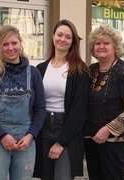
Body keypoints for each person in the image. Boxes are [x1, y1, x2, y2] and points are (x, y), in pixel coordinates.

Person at [0, 25, 46, 180]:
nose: (10, 48)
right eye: (5, 44)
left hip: (25, 140)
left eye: (14, 43)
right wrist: (2, 135)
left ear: (20, 44)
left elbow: (40, 108)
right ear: (0, 47)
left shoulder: (33, 73)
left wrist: (31, 135)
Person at [33, 19, 90, 180]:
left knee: (63, 176)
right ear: (53, 37)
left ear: (73, 42)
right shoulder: (41, 69)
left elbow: (78, 112)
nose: (62, 39)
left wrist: (61, 142)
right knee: (45, 176)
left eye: (68, 37)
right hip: (43, 127)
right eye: (59, 35)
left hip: (66, 128)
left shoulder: (79, 70)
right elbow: (36, 104)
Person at [84, 24, 124, 180]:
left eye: (106, 43)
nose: (101, 46)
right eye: (97, 43)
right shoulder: (91, 70)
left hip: (113, 142)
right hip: (91, 140)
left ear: (115, 46)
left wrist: (107, 130)